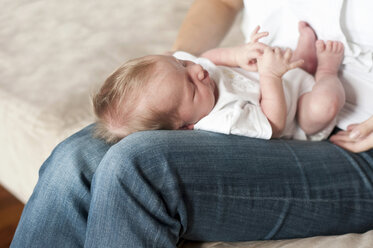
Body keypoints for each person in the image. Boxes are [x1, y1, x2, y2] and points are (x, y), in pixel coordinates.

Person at [11, 0, 373, 248]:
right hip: (269, 76)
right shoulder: (206, 78)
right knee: (77, 158)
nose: (196, 70)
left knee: (141, 164)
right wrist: (175, 66)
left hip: (354, 143)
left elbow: (272, 123)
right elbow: (224, 2)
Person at [93, 24, 344, 143]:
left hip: (284, 76)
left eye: (182, 64)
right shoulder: (223, 119)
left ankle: (303, 62)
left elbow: (206, 59)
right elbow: (274, 124)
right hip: (297, 113)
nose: (198, 71)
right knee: (323, 106)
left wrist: (236, 55)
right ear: (186, 127)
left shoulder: (185, 70)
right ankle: (326, 71)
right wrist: (270, 76)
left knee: (281, 56)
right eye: (191, 87)